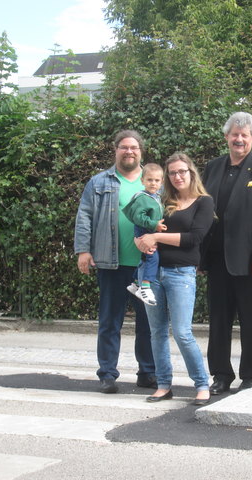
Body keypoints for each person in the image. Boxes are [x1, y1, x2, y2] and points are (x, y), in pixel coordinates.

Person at [201, 112, 252, 394]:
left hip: (251, 261)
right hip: (217, 258)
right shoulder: (212, 167)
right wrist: (200, 256)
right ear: (226, 137)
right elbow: (202, 212)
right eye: (234, 134)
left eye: (244, 135)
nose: (238, 139)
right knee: (219, 321)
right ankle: (221, 375)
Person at [74, 130, 157, 394]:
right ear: (116, 150)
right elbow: (84, 216)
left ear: (141, 151)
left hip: (144, 267)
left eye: (134, 147)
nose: (129, 151)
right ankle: (107, 374)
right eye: (124, 147)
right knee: (110, 321)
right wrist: (83, 251)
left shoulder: (154, 182)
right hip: (111, 265)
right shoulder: (99, 182)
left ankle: (147, 372)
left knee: (148, 323)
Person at [135, 152, 213, 406]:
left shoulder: (204, 202)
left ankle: (202, 384)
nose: (177, 176)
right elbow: (144, 228)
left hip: (181, 274)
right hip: (151, 274)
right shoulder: (161, 199)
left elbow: (194, 239)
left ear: (191, 172)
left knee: (182, 332)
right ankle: (163, 384)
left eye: (182, 171)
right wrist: (140, 241)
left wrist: (156, 238)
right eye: (172, 173)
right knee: (156, 332)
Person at [122, 162, 166, 306]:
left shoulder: (157, 196)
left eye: (157, 180)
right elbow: (138, 217)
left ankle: (135, 284)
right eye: (149, 180)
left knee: (144, 260)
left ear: (162, 182)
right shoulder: (142, 197)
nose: (153, 183)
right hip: (144, 231)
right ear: (142, 181)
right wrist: (154, 225)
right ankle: (145, 287)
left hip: (150, 231)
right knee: (153, 257)